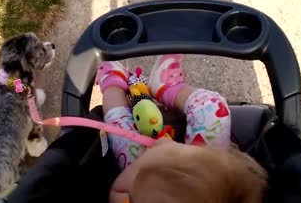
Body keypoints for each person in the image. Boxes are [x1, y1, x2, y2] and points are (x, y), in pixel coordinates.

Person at [95, 55, 267, 203]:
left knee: (117, 126)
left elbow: (116, 192)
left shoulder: (137, 189)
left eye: (166, 149)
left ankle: (113, 84)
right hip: (210, 168)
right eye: (172, 148)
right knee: (212, 106)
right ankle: (167, 88)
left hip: (142, 175)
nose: (163, 141)